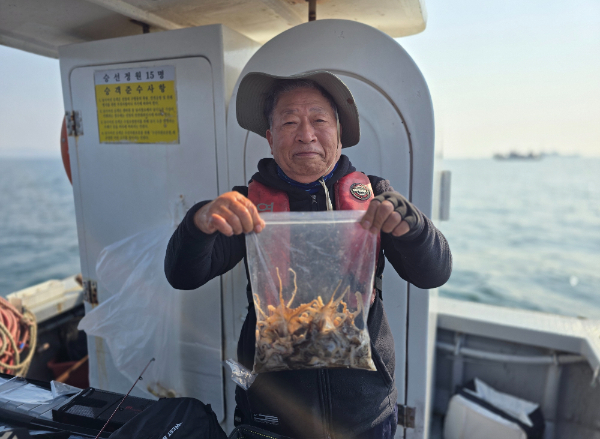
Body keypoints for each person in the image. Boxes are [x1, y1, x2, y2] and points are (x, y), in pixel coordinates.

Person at [165, 71, 452, 439]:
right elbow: (182, 276)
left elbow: (434, 273)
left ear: (339, 134)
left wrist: (412, 225)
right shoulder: (245, 205)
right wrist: (200, 222)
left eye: (319, 120)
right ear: (270, 138)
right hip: (270, 415)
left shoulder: (375, 196)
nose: (306, 134)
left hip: (364, 414)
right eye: (289, 122)